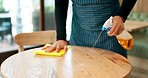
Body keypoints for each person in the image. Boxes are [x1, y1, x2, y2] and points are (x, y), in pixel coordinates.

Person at [46, 0, 137, 58]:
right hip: (79, 37)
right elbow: (60, 4)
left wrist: (121, 15)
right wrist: (61, 37)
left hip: (111, 37)